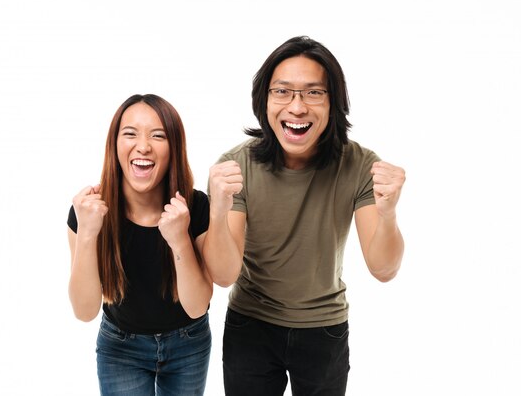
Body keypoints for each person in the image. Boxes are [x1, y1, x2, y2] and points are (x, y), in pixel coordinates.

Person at [204, 36, 406, 396]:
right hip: (251, 325)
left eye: (314, 93)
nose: (296, 107)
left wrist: (388, 213)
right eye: (283, 92)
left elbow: (384, 269)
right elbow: (222, 275)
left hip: (324, 328)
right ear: (264, 101)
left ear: (333, 103)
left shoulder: (360, 166)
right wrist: (217, 212)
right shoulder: (235, 166)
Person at [67, 94, 214, 395]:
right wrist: (87, 234)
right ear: (115, 145)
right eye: (130, 134)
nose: (143, 146)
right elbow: (84, 311)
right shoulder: (89, 210)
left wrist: (179, 239)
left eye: (157, 135)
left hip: (188, 343)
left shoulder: (196, 206)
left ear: (174, 147)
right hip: (120, 348)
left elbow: (198, 306)